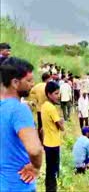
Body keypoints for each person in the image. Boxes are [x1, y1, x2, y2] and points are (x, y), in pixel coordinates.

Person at [0, 57, 43, 191]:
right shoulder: (19, 109)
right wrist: (35, 167)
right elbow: (35, 150)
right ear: (15, 82)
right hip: (19, 184)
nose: (32, 84)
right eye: (29, 80)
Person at [42, 81, 65, 192]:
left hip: (47, 142)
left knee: (49, 170)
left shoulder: (44, 106)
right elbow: (61, 127)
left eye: (58, 93)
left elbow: (43, 128)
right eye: (56, 93)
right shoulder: (51, 108)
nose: (58, 96)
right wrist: (62, 122)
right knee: (53, 171)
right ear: (49, 94)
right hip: (53, 144)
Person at [29, 72, 51, 143]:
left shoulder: (37, 86)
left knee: (40, 125)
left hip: (39, 109)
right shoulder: (48, 86)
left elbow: (31, 92)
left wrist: (35, 101)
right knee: (48, 125)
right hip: (47, 109)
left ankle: (40, 140)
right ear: (48, 78)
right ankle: (47, 139)